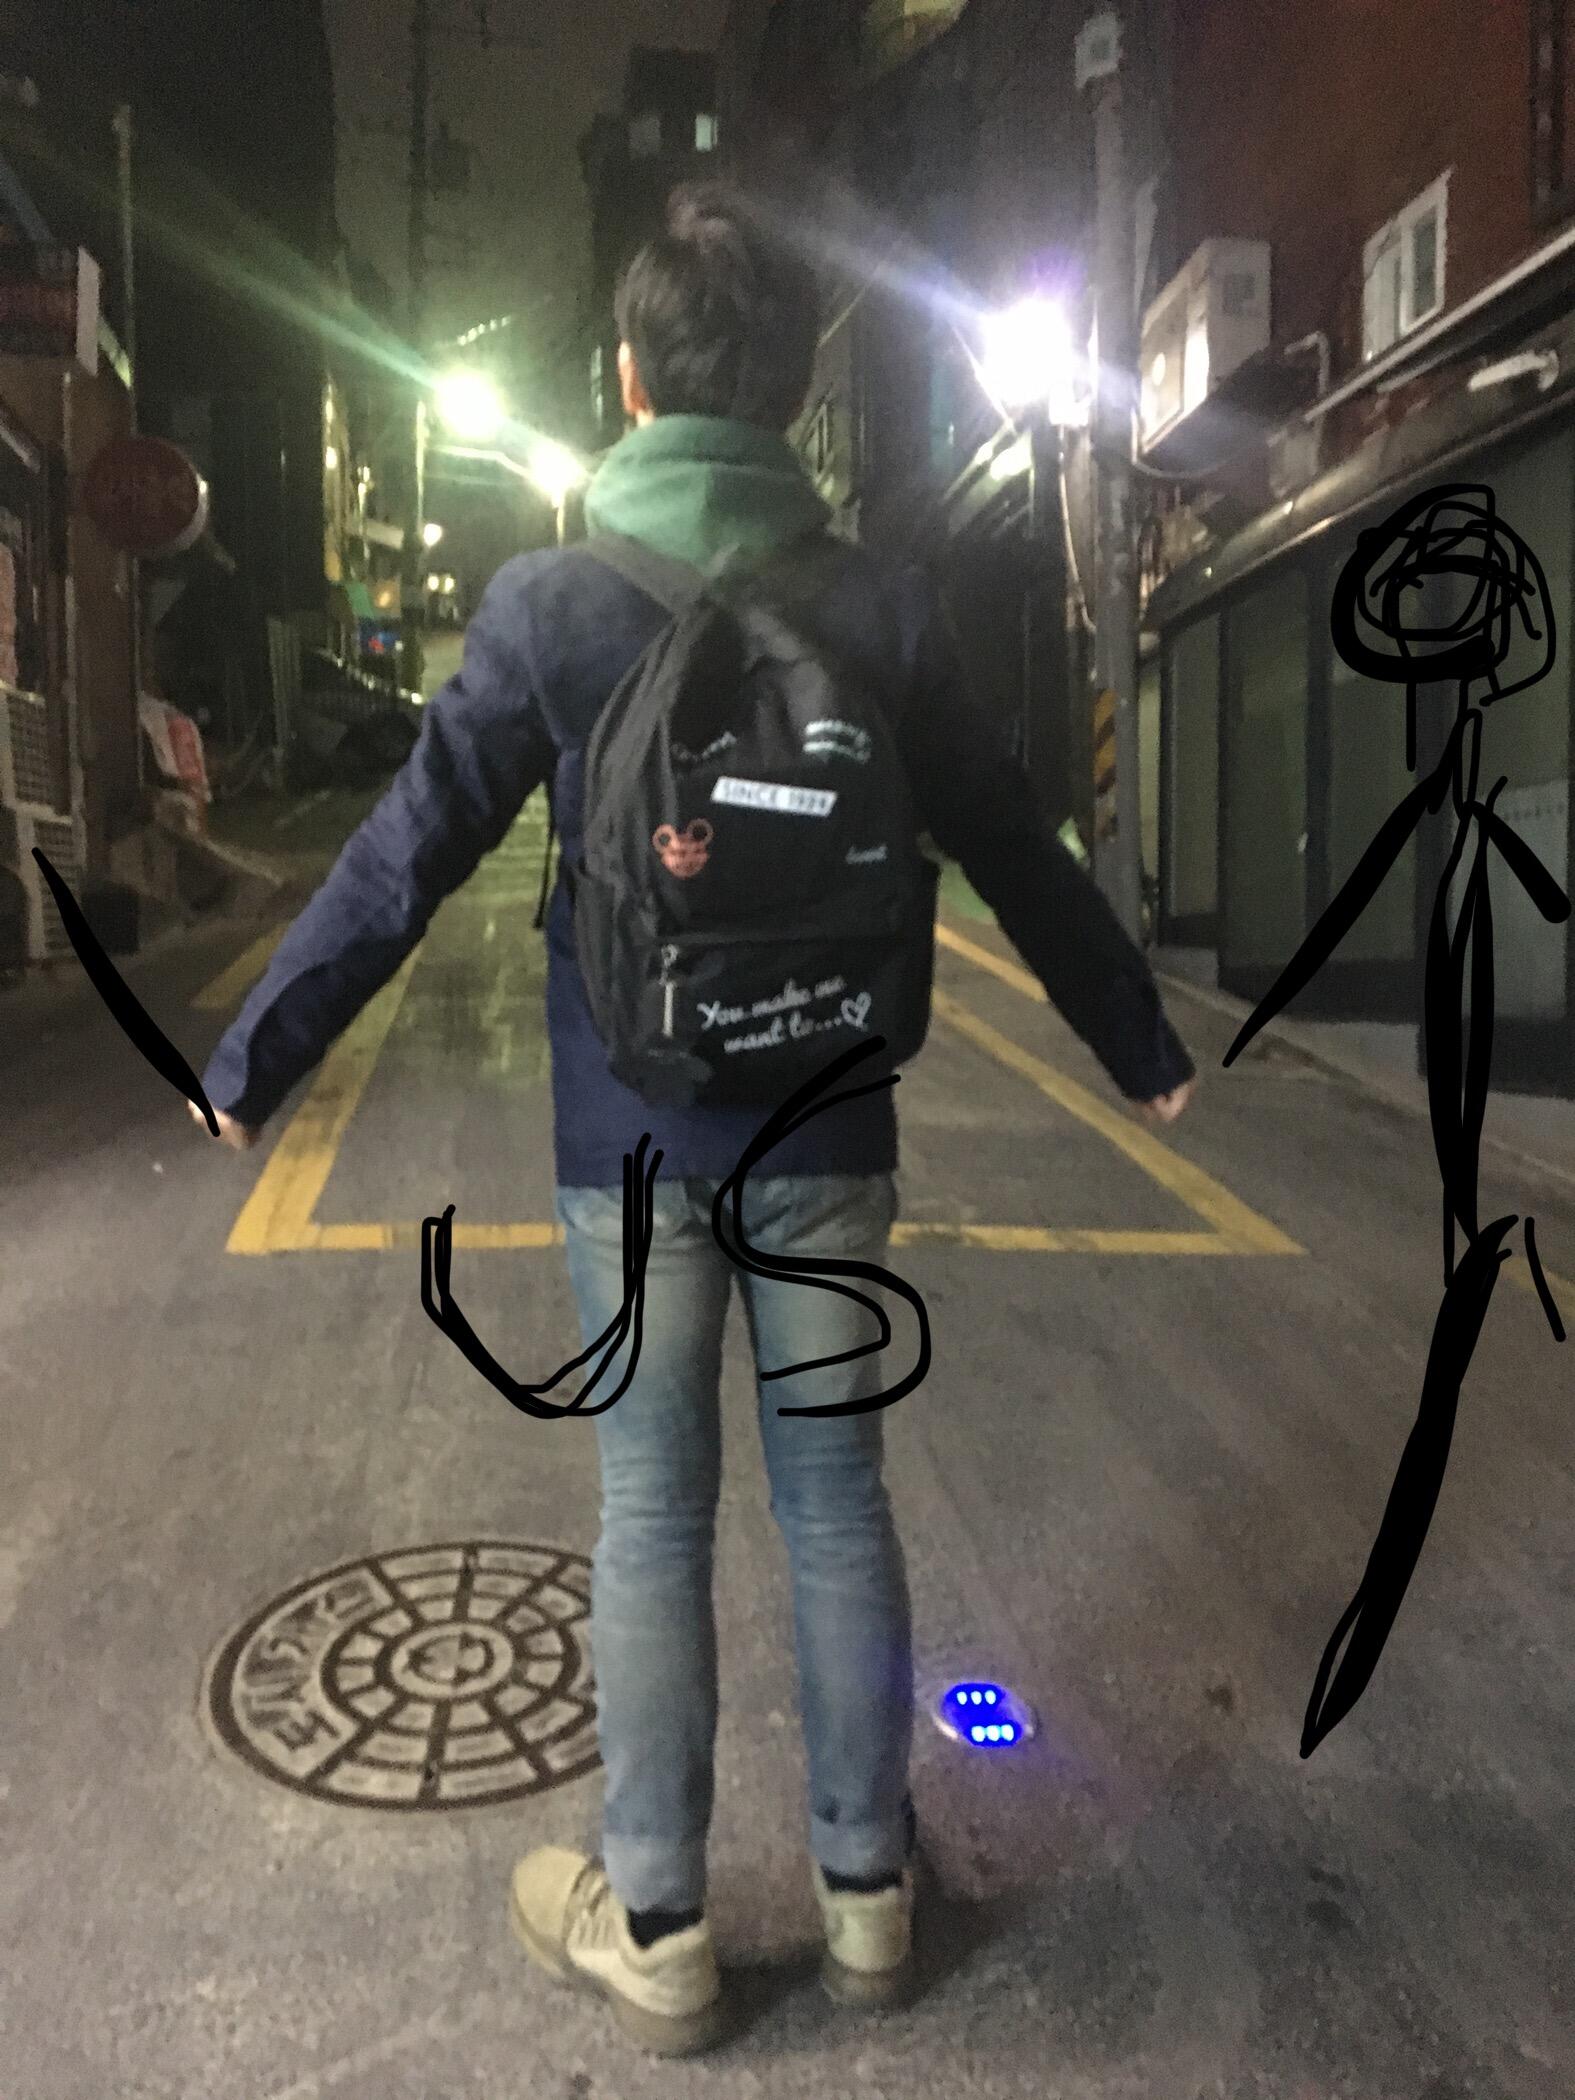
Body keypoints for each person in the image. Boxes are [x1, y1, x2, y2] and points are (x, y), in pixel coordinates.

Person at [190, 181, 1196, 2058]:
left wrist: (255, 1054)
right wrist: (1135, 1035)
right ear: (797, 396)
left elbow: (409, 851)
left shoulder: (553, 605)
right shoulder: (881, 604)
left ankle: (657, 1923)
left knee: (651, 1515)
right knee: (837, 1502)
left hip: (629, 1149)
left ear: (629, 378)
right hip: (827, 1132)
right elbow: (1009, 838)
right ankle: (870, 1893)